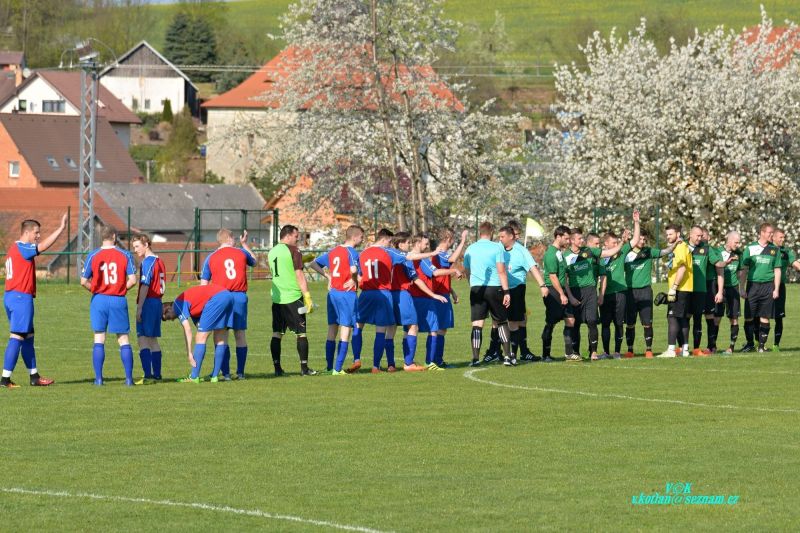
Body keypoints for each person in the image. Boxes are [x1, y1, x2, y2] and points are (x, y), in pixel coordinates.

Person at [1, 215, 66, 388]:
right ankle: (5, 379)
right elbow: (42, 247)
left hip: (12, 296)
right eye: (36, 232)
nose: (38, 235)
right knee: (17, 336)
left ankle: (34, 376)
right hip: (20, 297)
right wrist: (60, 228)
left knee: (28, 336)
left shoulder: (14, 247)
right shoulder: (23, 247)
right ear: (27, 232)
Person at [80, 225, 137, 385]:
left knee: (99, 338)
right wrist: (120, 289)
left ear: (102, 237)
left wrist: (96, 290)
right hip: (117, 299)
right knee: (123, 339)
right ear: (114, 236)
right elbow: (133, 280)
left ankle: (98, 379)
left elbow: (83, 281)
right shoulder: (125, 254)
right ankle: (128, 379)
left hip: (99, 299)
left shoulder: (93, 255)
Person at [200, 228, 257, 380]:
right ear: (230, 239)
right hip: (239, 297)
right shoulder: (241, 252)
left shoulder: (211, 257)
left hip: (220, 298)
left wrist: (206, 302)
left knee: (221, 335)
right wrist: (245, 244)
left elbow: (204, 283)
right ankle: (240, 372)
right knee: (240, 334)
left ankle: (225, 373)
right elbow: (255, 261)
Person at [308, 225, 364, 374]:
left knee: (332, 328)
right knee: (346, 329)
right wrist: (354, 280)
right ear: (354, 237)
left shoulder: (333, 251)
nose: (362, 240)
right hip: (347, 294)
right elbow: (354, 271)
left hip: (333, 293)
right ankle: (337, 369)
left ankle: (329, 367)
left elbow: (313, 263)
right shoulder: (352, 252)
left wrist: (328, 276)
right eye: (361, 237)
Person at [564, 226, 626, 361]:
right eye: (580, 238)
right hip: (575, 292)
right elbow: (564, 279)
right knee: (576, 323)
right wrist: (570, 296)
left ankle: (593, 352)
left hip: (591, 291)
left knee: (592, 321)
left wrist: (621, 243)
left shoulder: (589, 251)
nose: (582, 240)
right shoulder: (565, 256)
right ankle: (576, 352)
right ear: (573, 240)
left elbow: (608, 253)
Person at [267, 225, 317, 376]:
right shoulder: (293, 250)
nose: (298, 239)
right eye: (296, 236)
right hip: (293, 297)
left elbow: (283, 269)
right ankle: (304, 369)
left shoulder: (272, 251)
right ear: (288, 236)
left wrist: (302, 259)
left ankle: (277, 369)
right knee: (301, 334)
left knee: (277, 333)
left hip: (277, 298)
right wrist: (307, 296)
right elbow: (299, 275)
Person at [463, 222, 514, 365]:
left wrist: (471, 283)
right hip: (494, 288)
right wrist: (507, 292)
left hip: (476, 289)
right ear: (491, 233)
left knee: (477, 324)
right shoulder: (497, 248)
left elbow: (466, 270)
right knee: (501, 321)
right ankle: (507, 357)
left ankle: (475, 358)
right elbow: (501, 271)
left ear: (480, 232)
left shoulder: (470, 248)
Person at [161, 284, 234, 383]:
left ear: (167, 310)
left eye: (168, 318)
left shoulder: (177, 304)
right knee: (220, 337)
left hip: (216, 298)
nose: (172, 320)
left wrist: (189, 353)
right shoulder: (192, 309)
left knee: (200, 338)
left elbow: (187, 330)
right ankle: (214, 376)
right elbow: (199, 323)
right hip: (228, 296)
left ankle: (194, 377)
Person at [623, 230, 677, 358]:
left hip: (645, 291)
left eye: (644, 240)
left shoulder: (648, 251)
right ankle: (630, 350)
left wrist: (674, 245)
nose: (642, 241)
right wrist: (623, 240)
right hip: (630, 292)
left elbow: (664, 252)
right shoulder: (626, 253)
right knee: (630, 323)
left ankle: (648, 349)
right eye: (640, 239)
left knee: (647, 323)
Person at [497, 225, 548, 361]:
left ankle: (517, 353)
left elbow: (533, 268)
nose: (500, 239)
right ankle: (498, 352)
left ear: (511, 236)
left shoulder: (521, 251)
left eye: (502, 237)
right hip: (499, 289)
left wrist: (542, 285)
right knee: (502, 321)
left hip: (516, 289)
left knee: (517, 321)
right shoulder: (498, 248)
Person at [598, 211, 640, 358]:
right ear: (606, 244)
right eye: (613, 243)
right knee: (605, 324)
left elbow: (634, 240)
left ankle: (616, 351)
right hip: (604, 294)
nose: (616, 246)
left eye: (617, 243)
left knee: (618, 323)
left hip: (620, 293)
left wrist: (636, 222)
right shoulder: (600, 257)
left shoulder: (621, 253)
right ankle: (605, 352)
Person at [739, 223, 782, 353]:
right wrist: (741, 287)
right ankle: (750, 344)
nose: (771, 235)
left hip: (768, 286)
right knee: (749, 316)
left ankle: (762, 347)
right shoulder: (750, 248)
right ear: (762, 232)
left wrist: (776, 289)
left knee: (765, 316)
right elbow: (744, 269)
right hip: (752, 286)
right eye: (770, 233)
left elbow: (777, 270)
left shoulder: (775, 250)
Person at [430, 228, 469, 366]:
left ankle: (436, 359)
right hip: (439, 295)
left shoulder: (440, 253)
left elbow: (441, 275)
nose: (453, 242)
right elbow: (453, 259)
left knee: (441, 328)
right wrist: (463, 240)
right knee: (440, 328)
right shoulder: (440, 252)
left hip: (443, 292)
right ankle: (436, 360)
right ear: (448, 238)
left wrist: (451, 291)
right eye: (452, 239)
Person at [132, 233, 166, 383]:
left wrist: (140, 308)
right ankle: (157, 374)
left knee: (142, 339)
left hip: (149, 302)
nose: (135, 250)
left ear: (146, 245)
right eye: (134, 247)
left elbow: (145, 285)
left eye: (137, 246)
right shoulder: (160, 261)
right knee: (152, 340)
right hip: (157, 302)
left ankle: (147, 375)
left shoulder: (147, 262)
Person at [687, 227, 724, 356]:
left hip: (709, 286)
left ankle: (711, 346)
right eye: (699, 236)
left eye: (704, 236)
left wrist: (719, 291)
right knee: (688, 315)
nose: (702, 238)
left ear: (708, 238)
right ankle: (684, 347)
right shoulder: (686, 247)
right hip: (691, 286)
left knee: (710, 316)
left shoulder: (712, 251)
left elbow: (720, 271)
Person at [658, 224, 693, 358]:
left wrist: (673, 287)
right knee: (683, 319)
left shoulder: (680, 246)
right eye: (667, 234)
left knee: (672, 317)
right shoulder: (681, 247)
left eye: (670, 234)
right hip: (685, 288)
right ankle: (685, 350)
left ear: (678, 234)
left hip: (680, 288)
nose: (668, 237)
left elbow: (682, 268)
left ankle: (671, 350)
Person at [540, 225, 574, 362]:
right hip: (553, 291)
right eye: (566, 238)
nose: (568, 241)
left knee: (570, 320)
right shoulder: (551, 253)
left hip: (561, 291)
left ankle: (569, 354)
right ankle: (545, 355)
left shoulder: (559, 252)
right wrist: (561, 294)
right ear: (558, 237)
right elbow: (553, 276)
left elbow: (562, 275)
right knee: (551, 323)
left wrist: (568, 294)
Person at [770, 228, 800, 351]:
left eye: (784, 237)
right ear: (773, 237)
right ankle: (758, 342)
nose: (782, 239)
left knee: (779, 316)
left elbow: (795, 264)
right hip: (765, 285)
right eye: (780, 237)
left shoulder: (787, 252)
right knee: (760, 314)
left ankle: (776, 345)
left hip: (780, 286)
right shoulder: (766, 249)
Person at [718, 231, 742, 354]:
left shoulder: (739, 254)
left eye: (739, 242)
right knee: (716, 317)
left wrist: (741, 288)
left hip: (734, 288)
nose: (738, 245)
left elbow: (741, 271)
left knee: (734, 318)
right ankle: (712, 346)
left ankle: (731, 347)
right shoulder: (718, 252)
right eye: (736, 242)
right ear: (729, 240)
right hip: (719, 289)